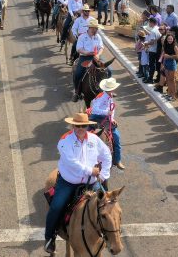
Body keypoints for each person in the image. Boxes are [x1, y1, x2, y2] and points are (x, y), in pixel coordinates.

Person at [44, 112, 112, 254]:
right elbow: (71, 162)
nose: (81, 128)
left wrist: (104, 175)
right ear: (73, 126)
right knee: (56, 207)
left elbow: (106, 155)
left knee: (109, 207)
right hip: (69, 182)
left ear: (88, 126)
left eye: (83, 126)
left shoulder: (94, 139)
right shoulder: (65, 141)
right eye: (78, 126)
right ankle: (50, 238)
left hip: (92, 183)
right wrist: (90, 170)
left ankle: (111, 235)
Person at [90, 78, 125, 170]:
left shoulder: (111, 96)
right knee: (87, 135)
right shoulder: (101, 96)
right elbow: (94, 109)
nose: (111, 90)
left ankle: (117, 160)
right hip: (96, 117)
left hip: (106, 119)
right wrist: (106, 112)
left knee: (116, 137)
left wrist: (112, 118)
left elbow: (112, 109)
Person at [72, 18, 106, 102]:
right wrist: (87, 53)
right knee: (78, 74)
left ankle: (107, 90)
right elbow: (78, 49)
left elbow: (101, 47)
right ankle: (77, 92)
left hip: (97, 57)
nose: (97, 29)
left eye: (97, 28)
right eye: (95, 28)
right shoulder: (82, 37)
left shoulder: (98, 36)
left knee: (109, 71)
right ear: (90, 28)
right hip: (85, 57)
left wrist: (98, 54)